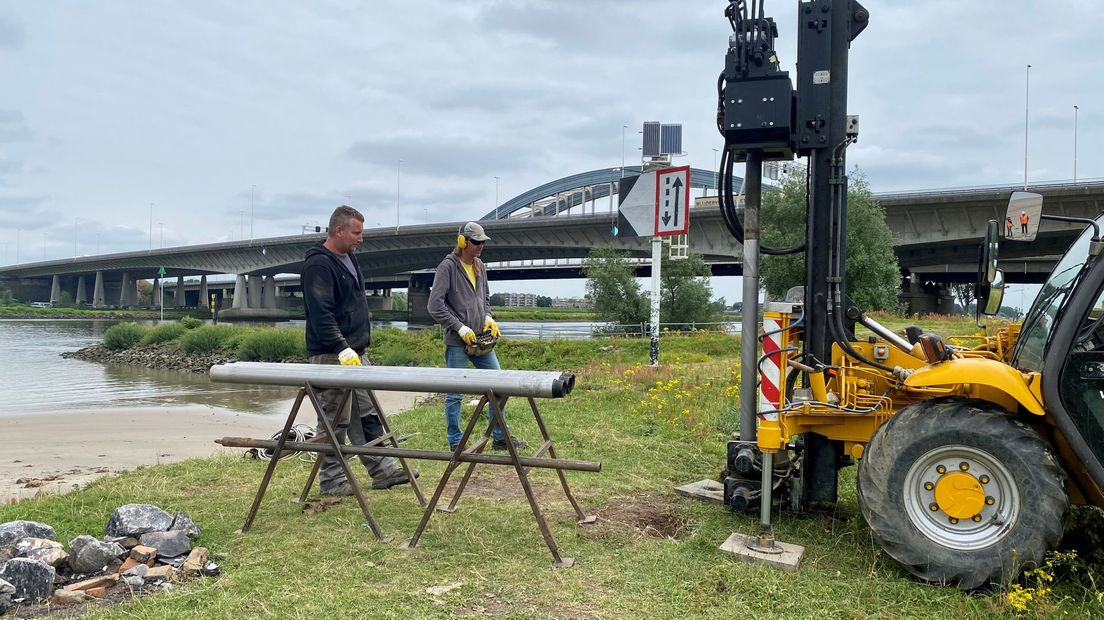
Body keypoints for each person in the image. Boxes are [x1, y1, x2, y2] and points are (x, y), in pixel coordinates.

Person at [302, 205, 416, 496]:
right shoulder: (319, 265)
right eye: (357, 232)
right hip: (332, 355)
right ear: (338, 230)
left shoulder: (349, 258)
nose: (361, 238)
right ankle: (332, 481)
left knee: (367, 415)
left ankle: (382, 470)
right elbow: (321, 314)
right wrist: (341, 347)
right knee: (334, 420)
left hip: (355, 353)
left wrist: (355, 348)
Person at [428, 222, 528, 452]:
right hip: (457, 341)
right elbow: (434, 305)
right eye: (476, 242)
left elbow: (485, 298)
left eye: (483, 242)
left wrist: (488, 317)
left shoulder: (480, 266)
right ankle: (456, 441)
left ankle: (500, 436)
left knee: (499, 385)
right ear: (462, 242)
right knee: (455, 393)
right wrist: (459, 327)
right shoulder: (447, 268)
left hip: (480, 339)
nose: (480, 246)